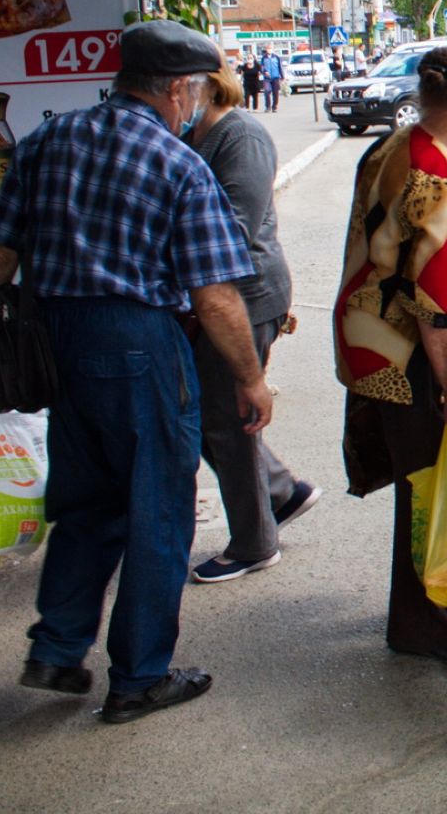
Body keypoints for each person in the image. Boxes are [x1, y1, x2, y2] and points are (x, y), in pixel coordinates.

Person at [0, 20, 271, 724]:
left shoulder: (46, 141)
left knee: (88, 503)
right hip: (135, 343)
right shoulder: (177, 162)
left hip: (56, 342)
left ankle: (58, 648)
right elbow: (215, 295)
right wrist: (250, 378)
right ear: (178, 88)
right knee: (157, 511)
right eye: (191, 92)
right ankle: (139, 677)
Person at [335, 45, 447, 667]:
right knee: (427, 487)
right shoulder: (441, 181)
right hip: (410, 360)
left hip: (366, 341)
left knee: (424, 481)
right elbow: (438, 304)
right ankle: (416, 621)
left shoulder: (389, 147)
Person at [187, 67, 320, 583]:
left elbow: (234, 231)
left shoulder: (240, 134)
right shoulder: (193, 132)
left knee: (227, 418)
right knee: (210, 416)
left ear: (207, 83)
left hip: (246, 296)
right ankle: (281, 492)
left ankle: (255, 543)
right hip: (211, 298)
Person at [259, 47, 283, 112]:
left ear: (272, 50)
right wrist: (264, 72)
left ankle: (274, 106)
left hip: (275, 77)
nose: (269, 50)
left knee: (275, 93)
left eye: (270, 49)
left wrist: (282, 77)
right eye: (268, 49)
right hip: (267, 78)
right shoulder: (264, 58)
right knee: (267, 91)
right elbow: (261, 67)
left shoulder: (276, 57)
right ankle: (268, 107)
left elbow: (280, 67)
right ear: (266, 50)